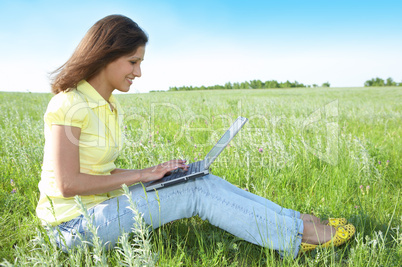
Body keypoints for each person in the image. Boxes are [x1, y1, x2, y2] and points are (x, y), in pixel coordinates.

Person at [36, 14, 355, 259]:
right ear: (106, 55)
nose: (138, 72)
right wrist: (144, 175)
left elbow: (100, 173)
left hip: (101, 208)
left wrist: (156, 174)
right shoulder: (69, 104)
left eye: (140, 63)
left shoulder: (108, 104)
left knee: (196, 178)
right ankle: (299, 237)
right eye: (133, 62)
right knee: (195, 192)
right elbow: (68, 184)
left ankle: (295, 220)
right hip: (73, 228)